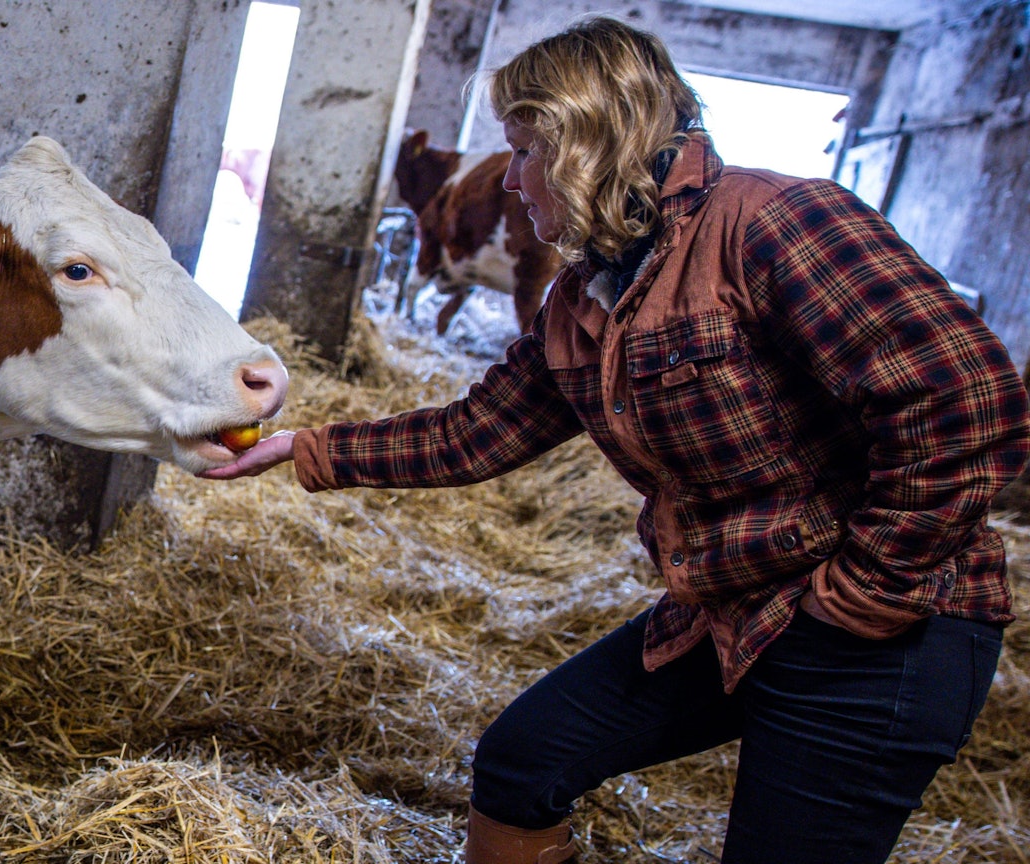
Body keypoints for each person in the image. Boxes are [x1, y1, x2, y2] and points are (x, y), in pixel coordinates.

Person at [202, 16, 1030, 864]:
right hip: (734, 609)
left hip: (885, 632)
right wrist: (307, 447)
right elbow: (474, 433)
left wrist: (862, 590)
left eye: (524, 150)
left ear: (583, 140)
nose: (511, 180)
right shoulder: (583, 298)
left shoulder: (773, 222)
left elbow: (967, 402)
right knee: (523, 762)